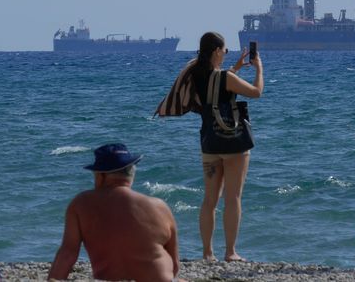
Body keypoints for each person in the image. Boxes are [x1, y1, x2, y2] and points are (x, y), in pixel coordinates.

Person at [183, 32, 263, 262]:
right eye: (225, 50)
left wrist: (235, 69)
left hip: (209, 143)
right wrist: (259, 68)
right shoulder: (225, 76)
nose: (225, 54)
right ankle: (230, 252)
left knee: (209, 200)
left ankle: (207, 253)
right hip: (233, 143)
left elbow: (213, 92)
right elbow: (256, 92)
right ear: (217, 51)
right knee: (233, 198)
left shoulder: (197, 74)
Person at [48, 143, 180, 282]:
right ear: (131, 173)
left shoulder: (80, 204)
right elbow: (175, 265)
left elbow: (67, 255)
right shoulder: (160, 207)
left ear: (100, 175)